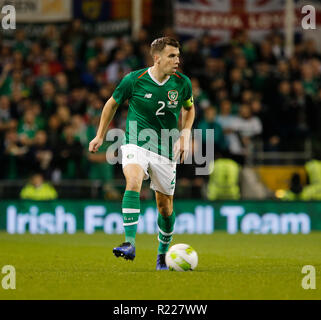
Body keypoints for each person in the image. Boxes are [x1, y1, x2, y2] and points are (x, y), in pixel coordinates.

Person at [89, 37, 195, 270]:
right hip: (136, 142)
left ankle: (162, 255)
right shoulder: (134, 80)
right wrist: (99, 135)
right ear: (156, 58)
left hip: (166, 149)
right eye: (171, 56)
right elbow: (111, 104)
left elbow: (189, 108)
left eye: (178, 55)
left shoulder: (182, 83)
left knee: (165, 207)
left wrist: (186, 133)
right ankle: (129, 242)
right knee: (133, 180)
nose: (177, 60)